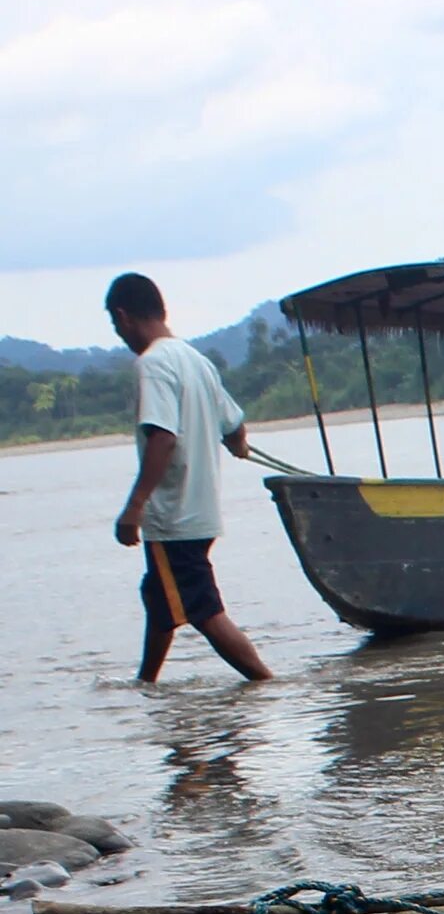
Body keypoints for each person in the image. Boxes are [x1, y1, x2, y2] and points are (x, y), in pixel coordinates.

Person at [105, 272, 271, 683]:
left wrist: (135, 506)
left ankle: (268, 684)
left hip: (174, 518)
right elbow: (234, 424)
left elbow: (162, 436)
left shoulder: (152, 364)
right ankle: (146, 685)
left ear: (123, 317)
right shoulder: (196, 361)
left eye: (115, 326)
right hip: (201, 513)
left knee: (202, 610)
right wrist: (237, 443)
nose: (120, 335)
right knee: (161, 600)